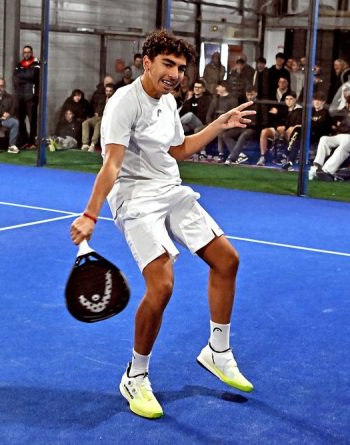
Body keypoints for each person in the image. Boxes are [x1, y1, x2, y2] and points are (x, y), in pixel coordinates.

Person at [69, 30, 255, 420]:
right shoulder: (124, 102)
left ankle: (217, 350)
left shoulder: (168, 101)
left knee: (227, 260)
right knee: (163, 284)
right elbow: (113, 164)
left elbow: (178, 150)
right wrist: (90, 214)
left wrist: (218, 124)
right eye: (167, 64)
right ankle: (135, 376)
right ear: (147, 62)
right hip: (134, 197)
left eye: (181, 68)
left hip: (169, 188)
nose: (174, 74)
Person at [13, 45, 41, 149]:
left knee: (32, 121)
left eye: (28, 52)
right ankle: (24, 141)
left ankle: (32, 142)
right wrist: (26, 77)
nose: (26, 54)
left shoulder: (36, 64)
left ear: (32, 53)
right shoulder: (19, 64)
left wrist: (23, 76)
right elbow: (16, 78)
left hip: (31, 97)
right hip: (21, 97)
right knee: (20, 119)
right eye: (24, 52)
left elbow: (33, 76)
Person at [81, 84, 115, 151]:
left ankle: (93, 144)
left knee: (98, 125)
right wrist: (96, 112)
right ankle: (85, 144)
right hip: (98, 117)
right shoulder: (102, 98)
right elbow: (98, 107)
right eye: (107, 91)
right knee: (85, 123)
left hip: (107, 118)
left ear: (113, 91)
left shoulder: (115, 99)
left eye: (110, 91)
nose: (108, 92)